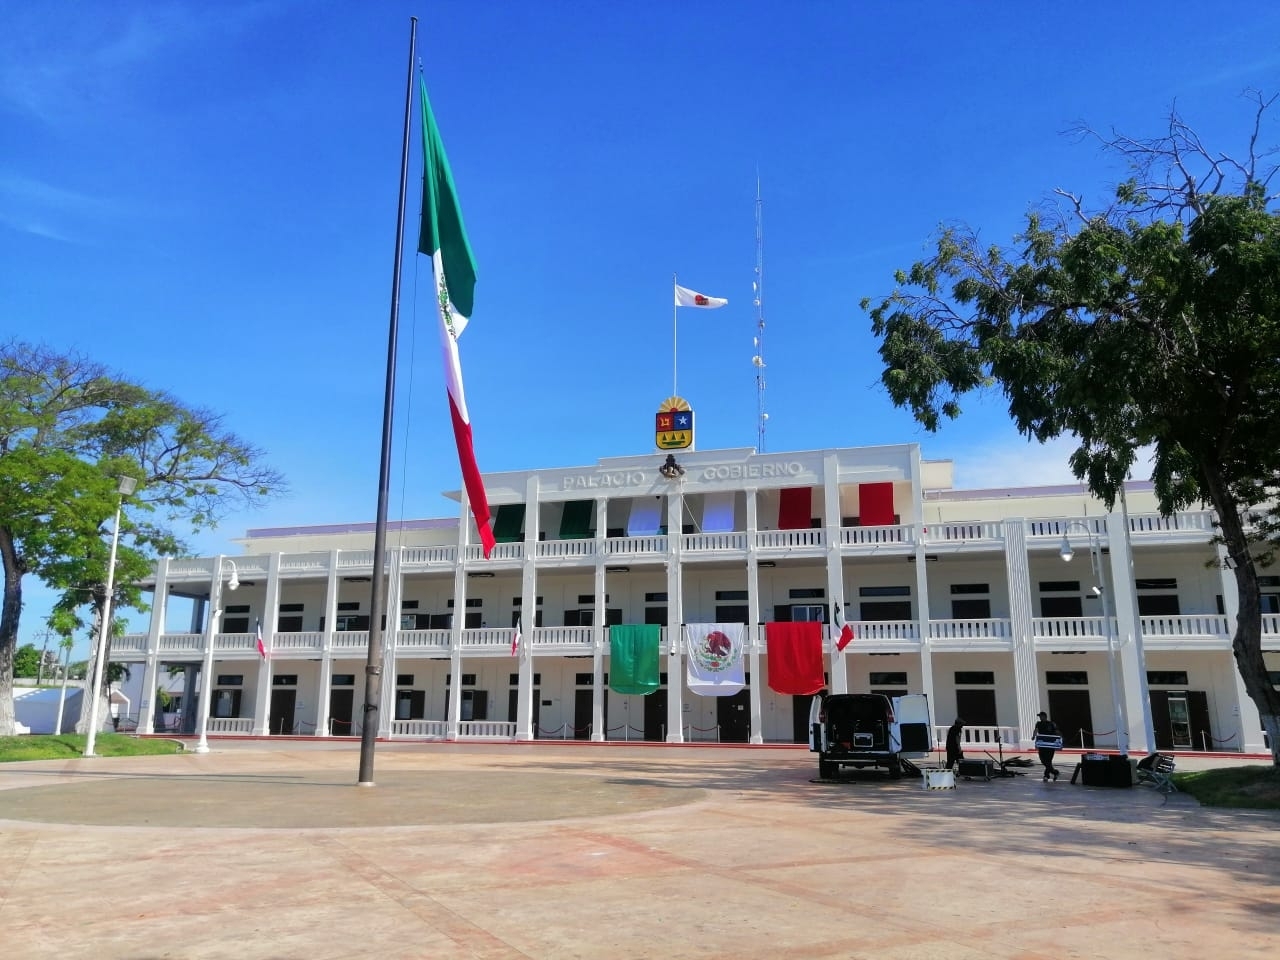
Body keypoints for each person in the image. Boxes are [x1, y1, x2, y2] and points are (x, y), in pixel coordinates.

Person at [1034, 711, 1061, 781]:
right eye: (1039, 716)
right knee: (1042, 760)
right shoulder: (1038, 723)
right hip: (1042, 744)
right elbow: (1036, 730)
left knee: (1048, 760)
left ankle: (1046, 776)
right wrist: (1033, 736)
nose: (1040, 717)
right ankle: (1055, 772)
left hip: (1050, 745)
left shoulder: (1051, 724)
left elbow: (1057, 732)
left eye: (1041, 716)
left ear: (1044, 716)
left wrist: (1058, 740)